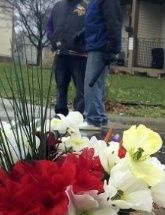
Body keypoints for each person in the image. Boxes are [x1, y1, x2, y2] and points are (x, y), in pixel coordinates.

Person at [83, 0, 122, 129]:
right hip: (95, 44)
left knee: (92, 84)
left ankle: (94, 119)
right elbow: (95, 22)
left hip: (100, 46)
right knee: (96, 84)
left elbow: (114, 22)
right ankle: (97, 117)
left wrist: (113, 48)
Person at [46, 0, 89, 116]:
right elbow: (49, 25)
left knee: (81, 88)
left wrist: (82, 37)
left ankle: (79, 115)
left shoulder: (85, 7)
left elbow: (91, 26)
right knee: (60, 85)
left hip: (79, 55)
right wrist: (52, 36)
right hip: (61, 53)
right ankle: (60, 113)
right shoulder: (58, 6)